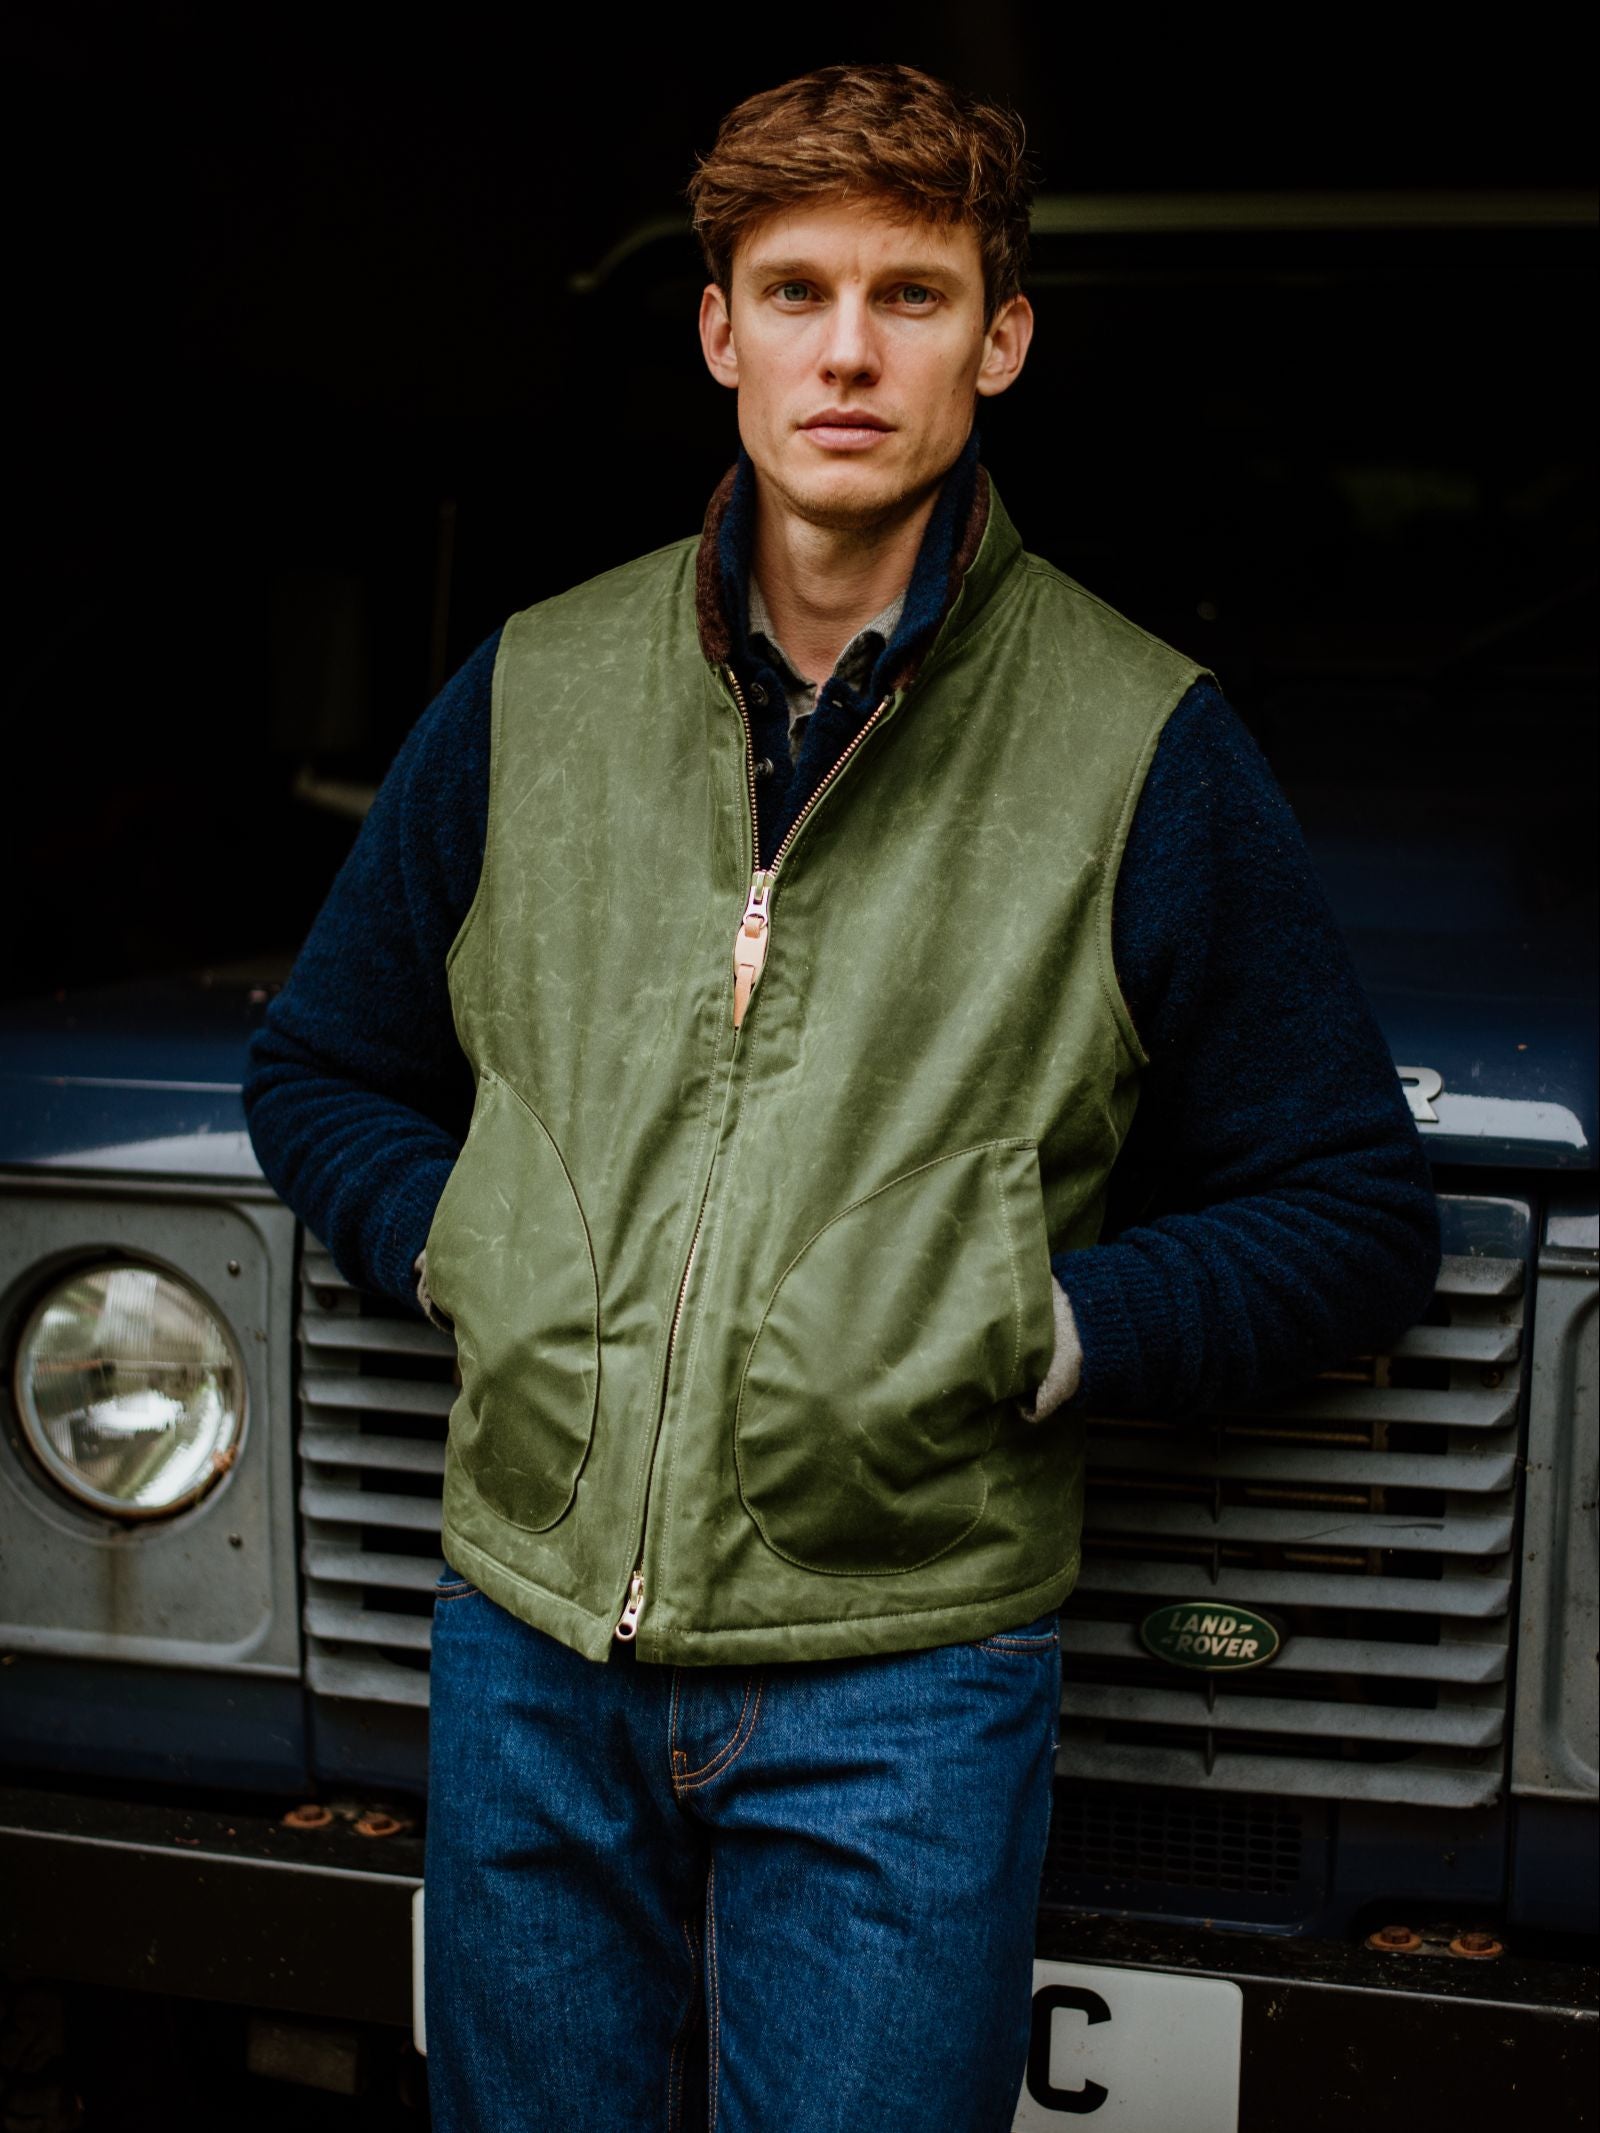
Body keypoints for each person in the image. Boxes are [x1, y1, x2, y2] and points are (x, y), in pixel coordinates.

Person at [244, 61, 1439, 2133]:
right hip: (523, 1643)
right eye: (793, 292)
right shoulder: (532, 687)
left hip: (901, 1674)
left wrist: (1023, 1320)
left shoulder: (1139, 742)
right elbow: (319, 1065)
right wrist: (477, 1246)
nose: (847, 350)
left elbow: (1347, 1211)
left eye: (909, 293)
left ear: (1000, 338)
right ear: (718, 333)